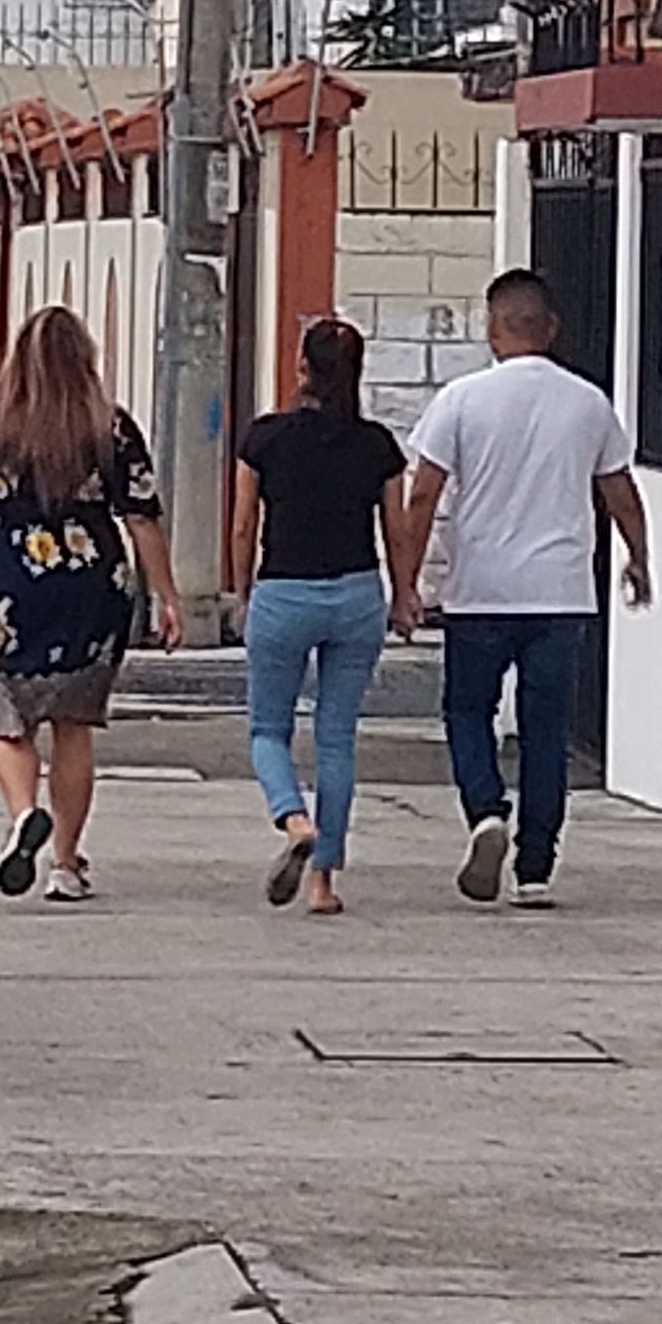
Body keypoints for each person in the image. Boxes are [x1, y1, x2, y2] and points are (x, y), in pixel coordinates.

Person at [401, 269, 652, 909]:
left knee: (466, 711)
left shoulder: (461, 400)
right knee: (546, 730)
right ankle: (535, 867)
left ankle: (486, 810)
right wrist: (639, 558)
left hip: (480, 591)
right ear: (552, 329)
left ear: (491, 329)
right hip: (560, 594)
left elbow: (424, 490)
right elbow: (619, 491)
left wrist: (404, 579)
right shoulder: (588, 402)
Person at [0, 305, 181, 903]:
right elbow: (142, 517)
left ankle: (24, 814)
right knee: (74, 728)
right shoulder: (111, 428)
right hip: (91, 580)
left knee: (10, 721)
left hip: (13, 582)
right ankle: (66, 865)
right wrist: (167, 597)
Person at [224, 317, 419, 917]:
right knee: (337, 738)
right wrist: (403, 594)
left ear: (301, 368)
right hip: (356, 595)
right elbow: (396, 529)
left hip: (284, 592)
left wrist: (240, 590)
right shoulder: (377, 446)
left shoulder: (265, 439)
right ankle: (324, 884)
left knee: (267, 730)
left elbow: (242, 525)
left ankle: (293, 819)